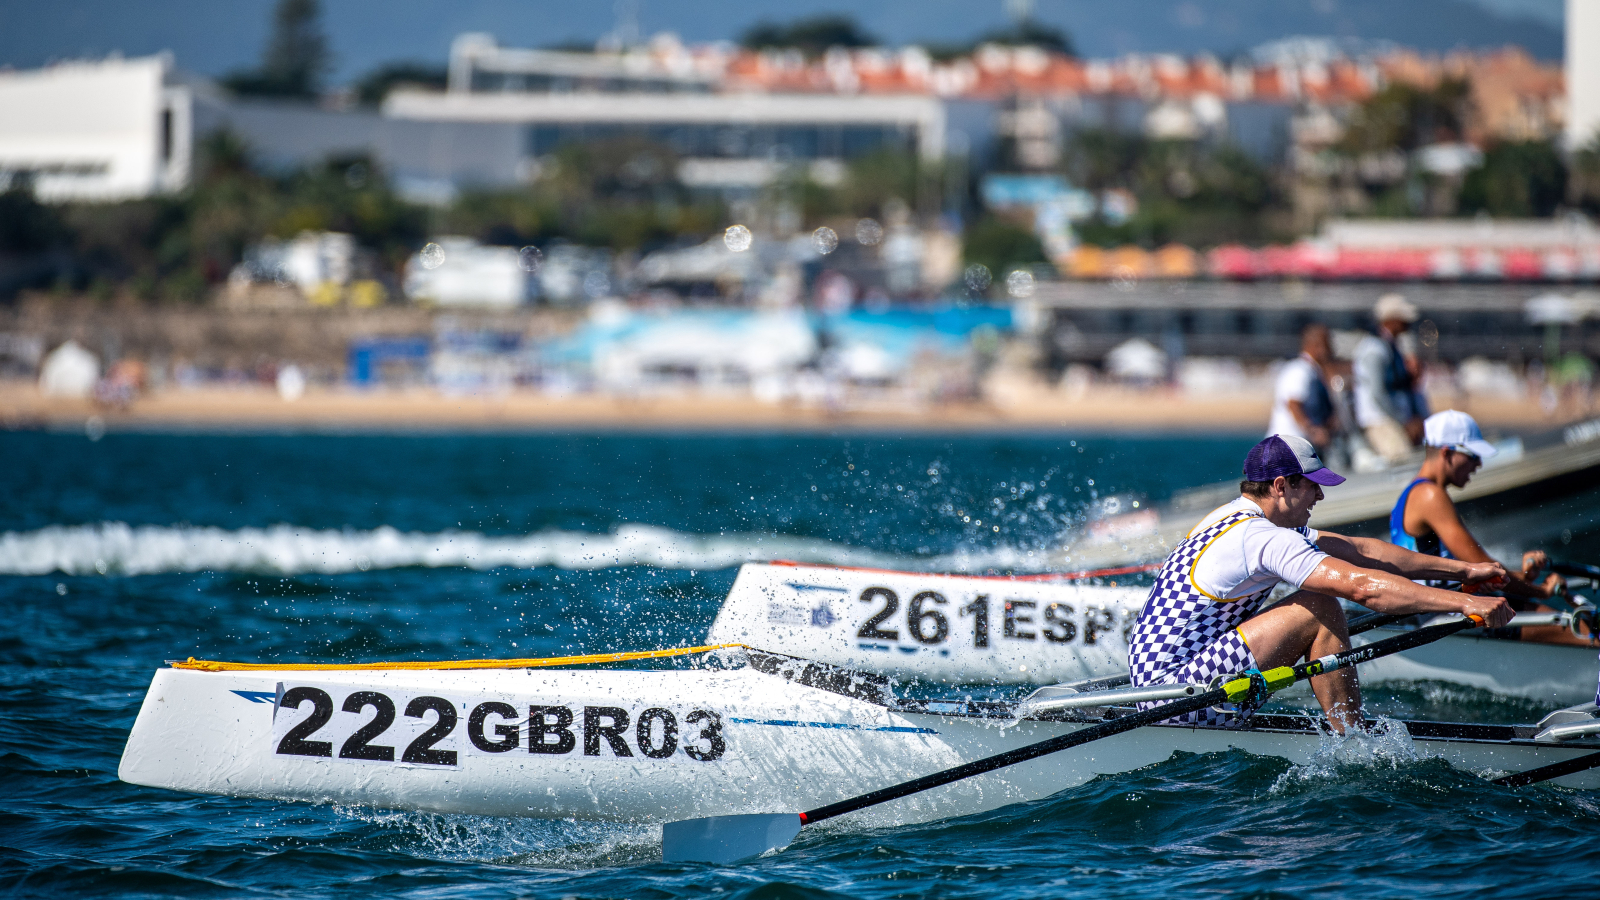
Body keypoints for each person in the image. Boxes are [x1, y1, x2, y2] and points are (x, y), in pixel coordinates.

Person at [1128, 434, 1512, 733]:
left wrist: (1463, 571)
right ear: (1281, 486)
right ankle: (1354, 742)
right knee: (1321, 606)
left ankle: (1345, 730)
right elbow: (1362, 588)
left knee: (1322, 599)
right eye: (1312, 485)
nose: (1320, 494)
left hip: (1159, 688)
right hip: (1175, 701)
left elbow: (1362, 552)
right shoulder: (1262, 537)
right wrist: (1464, 604)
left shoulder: (1232, 517)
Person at [1392, 409, 1589, 645]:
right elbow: (1481, 567)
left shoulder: (1411, 495)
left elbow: (1478, 571)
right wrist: (1541, 589)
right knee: (1584, 632)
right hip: (1444, 618)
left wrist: (1524, 577)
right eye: (1473, 455)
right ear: (1447, 453)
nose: (1479, 464)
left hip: (1442, 609)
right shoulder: (1429, 496)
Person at [1353, 294, 1428, 464]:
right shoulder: (1374, 349)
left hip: (1393, 419)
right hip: (1380, 420)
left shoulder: (1389, 346)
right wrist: (1404, 421)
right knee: (1403, 460)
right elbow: (1378, 393)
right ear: (1391, 320)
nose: (1408, 323)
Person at [1268, 323, 1338, 455]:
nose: (1331, 350)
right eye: (1328, 345)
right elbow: (1293, 404)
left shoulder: (1312, 370)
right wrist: (1313, 430)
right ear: (1317, 346)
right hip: (1289, 444)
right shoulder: (1300, 370)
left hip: (1295, 444)